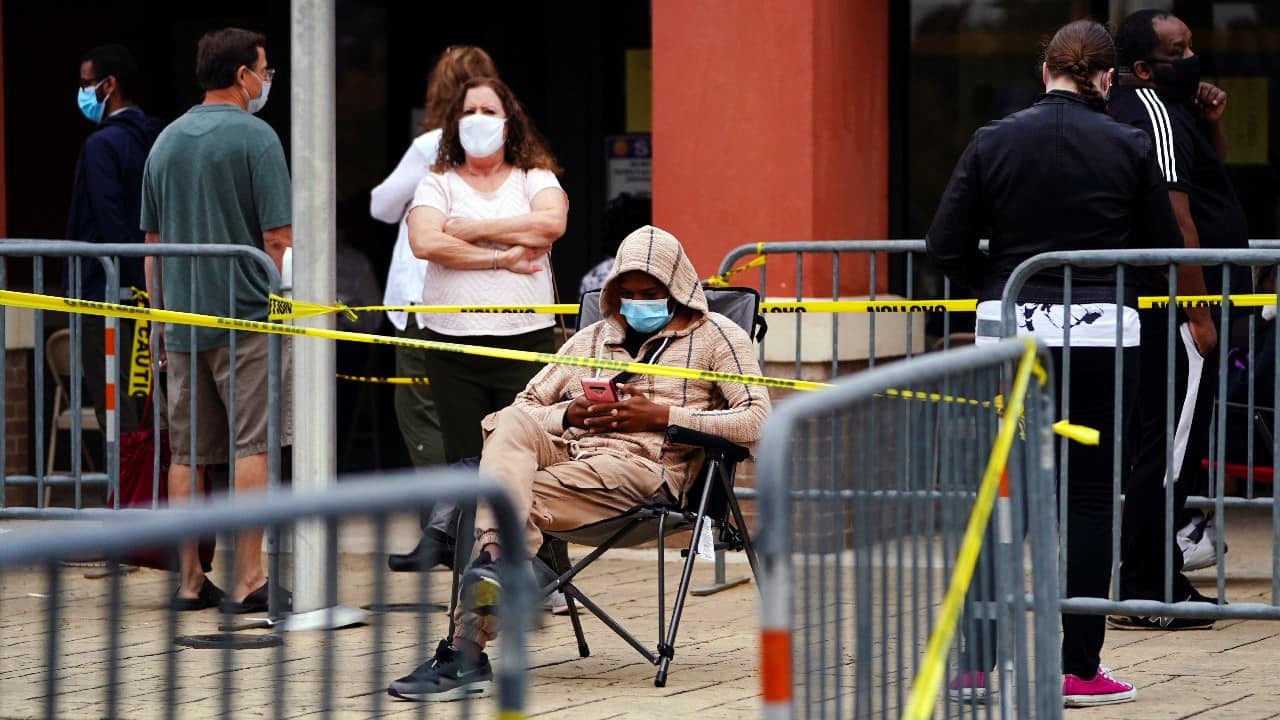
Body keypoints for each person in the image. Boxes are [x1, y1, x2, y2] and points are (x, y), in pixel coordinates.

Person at [386, 224, 772, 702]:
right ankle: (497, 562)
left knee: (496, 495)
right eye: (627, 294)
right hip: (571, 453)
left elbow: (756, 418)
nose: (637, 303)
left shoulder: (718, 337)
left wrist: (660, 414)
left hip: (643, 469)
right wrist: (569, 413)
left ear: (677, 288)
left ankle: (466, 649)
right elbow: (521, 410)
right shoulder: (591, 339)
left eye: (649, 294)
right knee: (510, 426)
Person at [927, 20, 1184, 707]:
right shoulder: (1127, 142)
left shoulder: (994, 139)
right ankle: (1078, 668)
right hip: (1102, 333)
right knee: (1093, 498)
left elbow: (944, 246)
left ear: (1045, 71)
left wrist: (1005, 274)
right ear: (1106, 78)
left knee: (998, 493)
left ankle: (976, 666)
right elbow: (1162, 255)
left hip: (1009, 331)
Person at [141, 28, 293, 614]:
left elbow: (151, 242)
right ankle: (251, 577)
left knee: (187, 454)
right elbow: (277, 238)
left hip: (178, 318)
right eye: (264, 70)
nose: (266, 80)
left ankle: (188, 581)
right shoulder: (257, 138)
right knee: (250, 445)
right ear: (241, 76)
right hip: (246, 316)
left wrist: (158, 320)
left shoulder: (165, 142)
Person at [1107, 9, 1248, 629]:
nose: (1193, 58)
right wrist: (1196, 310)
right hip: (1177, 308)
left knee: (1165, 446)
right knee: (1170, 449)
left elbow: (1205, 178)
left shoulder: (1169, 110)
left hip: (1175, 305)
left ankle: (1153, 574)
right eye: (1178, 49)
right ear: (1143, 67)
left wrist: (1209, 123)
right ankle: (1147, 587)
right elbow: (1176, 217)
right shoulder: (1151, 108)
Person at [405, 76, 568, 499]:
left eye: (489, 111)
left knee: (531, 453)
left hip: (523, 341)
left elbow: (551, 223)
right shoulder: (437, 180)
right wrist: (502, 257)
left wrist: (471, 229)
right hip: (453, 346)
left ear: (508, 123)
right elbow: (425, 241)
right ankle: (471, 559)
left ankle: (543, 563)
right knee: (463, 460)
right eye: (468, 111)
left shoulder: (535, 176)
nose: (478, 119)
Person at [370, 46, 498, 573]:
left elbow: (381, 205)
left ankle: (440, 532)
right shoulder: (511, 151)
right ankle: (483, 537)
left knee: (423, 419)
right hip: (488, 303)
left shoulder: (430, 145)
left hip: (425, 302)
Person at [67, 44, 164, 434]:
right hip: (151, 291)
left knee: (116, 405)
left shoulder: (101, 145)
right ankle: (149, 489)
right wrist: (147, 281)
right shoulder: (157, 136)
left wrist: (128, 274)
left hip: (104, 291)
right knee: (147, 405)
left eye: (87, 83)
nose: (82, 92)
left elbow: (109, 220)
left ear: (110, 85)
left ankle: (127, 492)